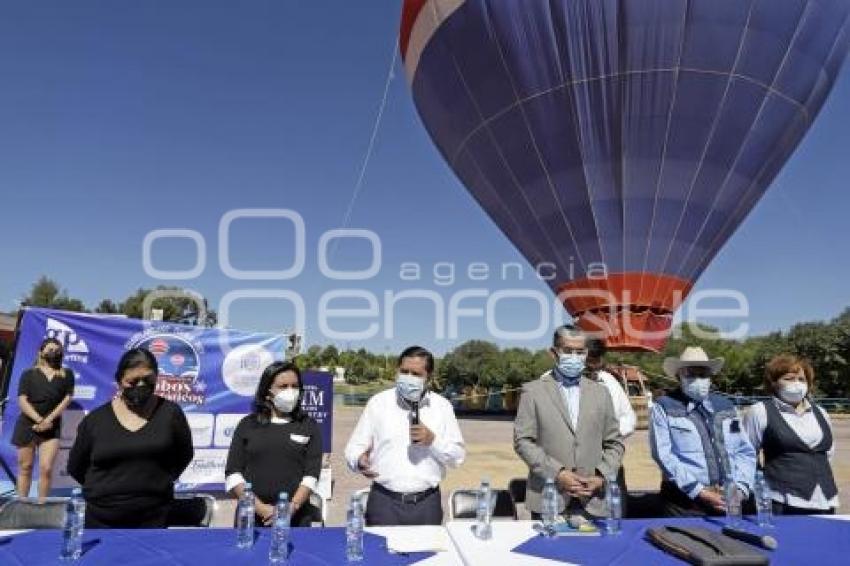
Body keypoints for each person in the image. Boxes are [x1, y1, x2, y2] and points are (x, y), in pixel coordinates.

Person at [67, 348, 193, 528]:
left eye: (148, 380)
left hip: (155, 519)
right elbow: (76, 467)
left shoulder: (171, 413)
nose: (141, 385)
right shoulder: (95, 420)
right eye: (133, 381)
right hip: (101, 521)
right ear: (119, 381)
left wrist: (155, 484)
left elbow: (184, 454)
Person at [344, 346, 465, 526]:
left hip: (427, 504)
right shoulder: (378, 403)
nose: (408, 378)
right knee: (380, 554)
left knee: (431, 554)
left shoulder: (442, 407)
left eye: (416, 374)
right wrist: (359, 460)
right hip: (384, 502)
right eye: (404, 372)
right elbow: (353, 449)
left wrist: (433, 441)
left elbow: (457, 457)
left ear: (429, 377)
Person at [514, 325, 624, 522]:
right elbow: (523, 441)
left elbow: (614, 442)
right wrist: (557, 473)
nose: (574, 356)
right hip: (549, 499)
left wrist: (602, 476)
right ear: (554, 353)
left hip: (593, 499)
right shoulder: (533, 392)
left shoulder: (601, 392)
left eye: (580, 352)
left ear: (586, 353)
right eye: (567, 350)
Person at [649, 346, 756, 517]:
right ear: (679, 376)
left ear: (710, 377)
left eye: (703, 374)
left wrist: (741, 488)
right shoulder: (664, 406)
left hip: (728, 499)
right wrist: (700, 492)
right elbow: (664, 455)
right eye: (690, 374)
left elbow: (744, 450)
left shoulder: (726, 406)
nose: (698, 379)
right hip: (684, 503)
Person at [225, 361, 323, 527]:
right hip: (250, 518)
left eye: (295, 386)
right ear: (267, 391)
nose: (290, 391)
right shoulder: (248, 424)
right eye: (283, 386)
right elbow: (233, 473)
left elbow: (311, 476)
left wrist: (290, 508)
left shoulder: (308, 425)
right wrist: (261, 509)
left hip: (296, 518)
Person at [742, 354, 839, 515]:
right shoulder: (760, 411)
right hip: (780, 501)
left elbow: (827, 453)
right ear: (774, 383)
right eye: (789, 378)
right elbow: (746, 455)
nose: (797, 384)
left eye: (801, 379)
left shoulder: (821, 413)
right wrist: (758, 492)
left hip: (824, 499)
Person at [12, 338, 75, 499]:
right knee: (25, 467)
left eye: (57, 349)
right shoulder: (29, 373)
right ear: (41, 352)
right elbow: (22, 400)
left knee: (46, 469)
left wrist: (49, 421)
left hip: (52, 427)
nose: (53, 352)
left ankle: (42, 507)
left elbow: (67, 399)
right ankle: (22, 504)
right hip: (27, 425)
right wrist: (40, 420)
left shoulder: (67, 374)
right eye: (50, 349)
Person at [585, 338, 635, 516]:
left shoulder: (610, 382)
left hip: (608, 465)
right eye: (589, 361)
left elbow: (629, 418)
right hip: (567, 473)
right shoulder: (547, 382)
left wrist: (607, 432)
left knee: (611, 524)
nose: (594, 366)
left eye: (597, 361)